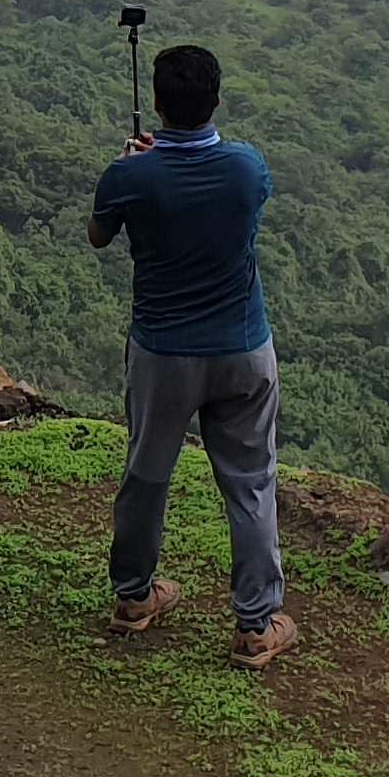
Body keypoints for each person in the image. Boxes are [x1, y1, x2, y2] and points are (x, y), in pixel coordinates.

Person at [85, 42, 291, 666]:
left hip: (163, 354)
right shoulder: (247, 169)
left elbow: (98, 237)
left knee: (146, 477)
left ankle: (135, 598)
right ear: (216, 101)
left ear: (156, 104)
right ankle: (256, 627)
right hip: (242, 350)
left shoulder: (131, 176)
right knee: (251, 484)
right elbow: (235, 202)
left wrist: (133, 167)